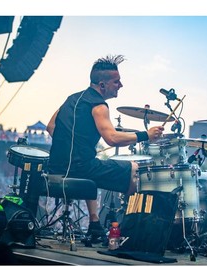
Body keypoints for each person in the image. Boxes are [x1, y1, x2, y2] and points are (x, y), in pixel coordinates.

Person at [46, 55, 164, 241]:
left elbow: (51, 126)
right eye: (117, 82)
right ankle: (129, 232)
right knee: (135, 169)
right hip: (79, 168)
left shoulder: (72, 99)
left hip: (56, 167)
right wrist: (146, 135)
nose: (121, 85)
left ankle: (95, 223)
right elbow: (112, 138)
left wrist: (73, 146)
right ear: (102, 85)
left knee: (93, 166)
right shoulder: (99, 106)